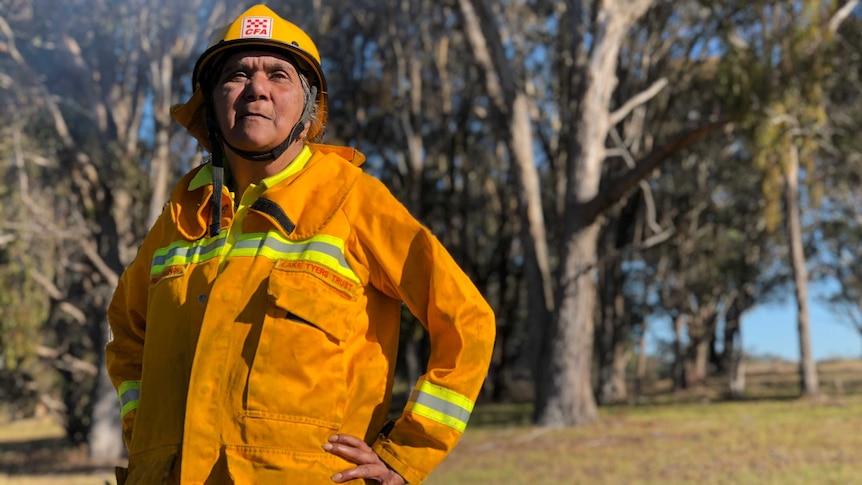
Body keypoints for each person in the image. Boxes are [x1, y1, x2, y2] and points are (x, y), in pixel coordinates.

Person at [105, 4, 495, 484]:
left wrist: (405, 454)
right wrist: (147, 438)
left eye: (279, 75)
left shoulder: (351, 199)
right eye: (236, 74)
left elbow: (468, 321)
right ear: (210, 103)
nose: (257, 88)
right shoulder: (181, 215)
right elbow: (127, 338)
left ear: (309, 109)